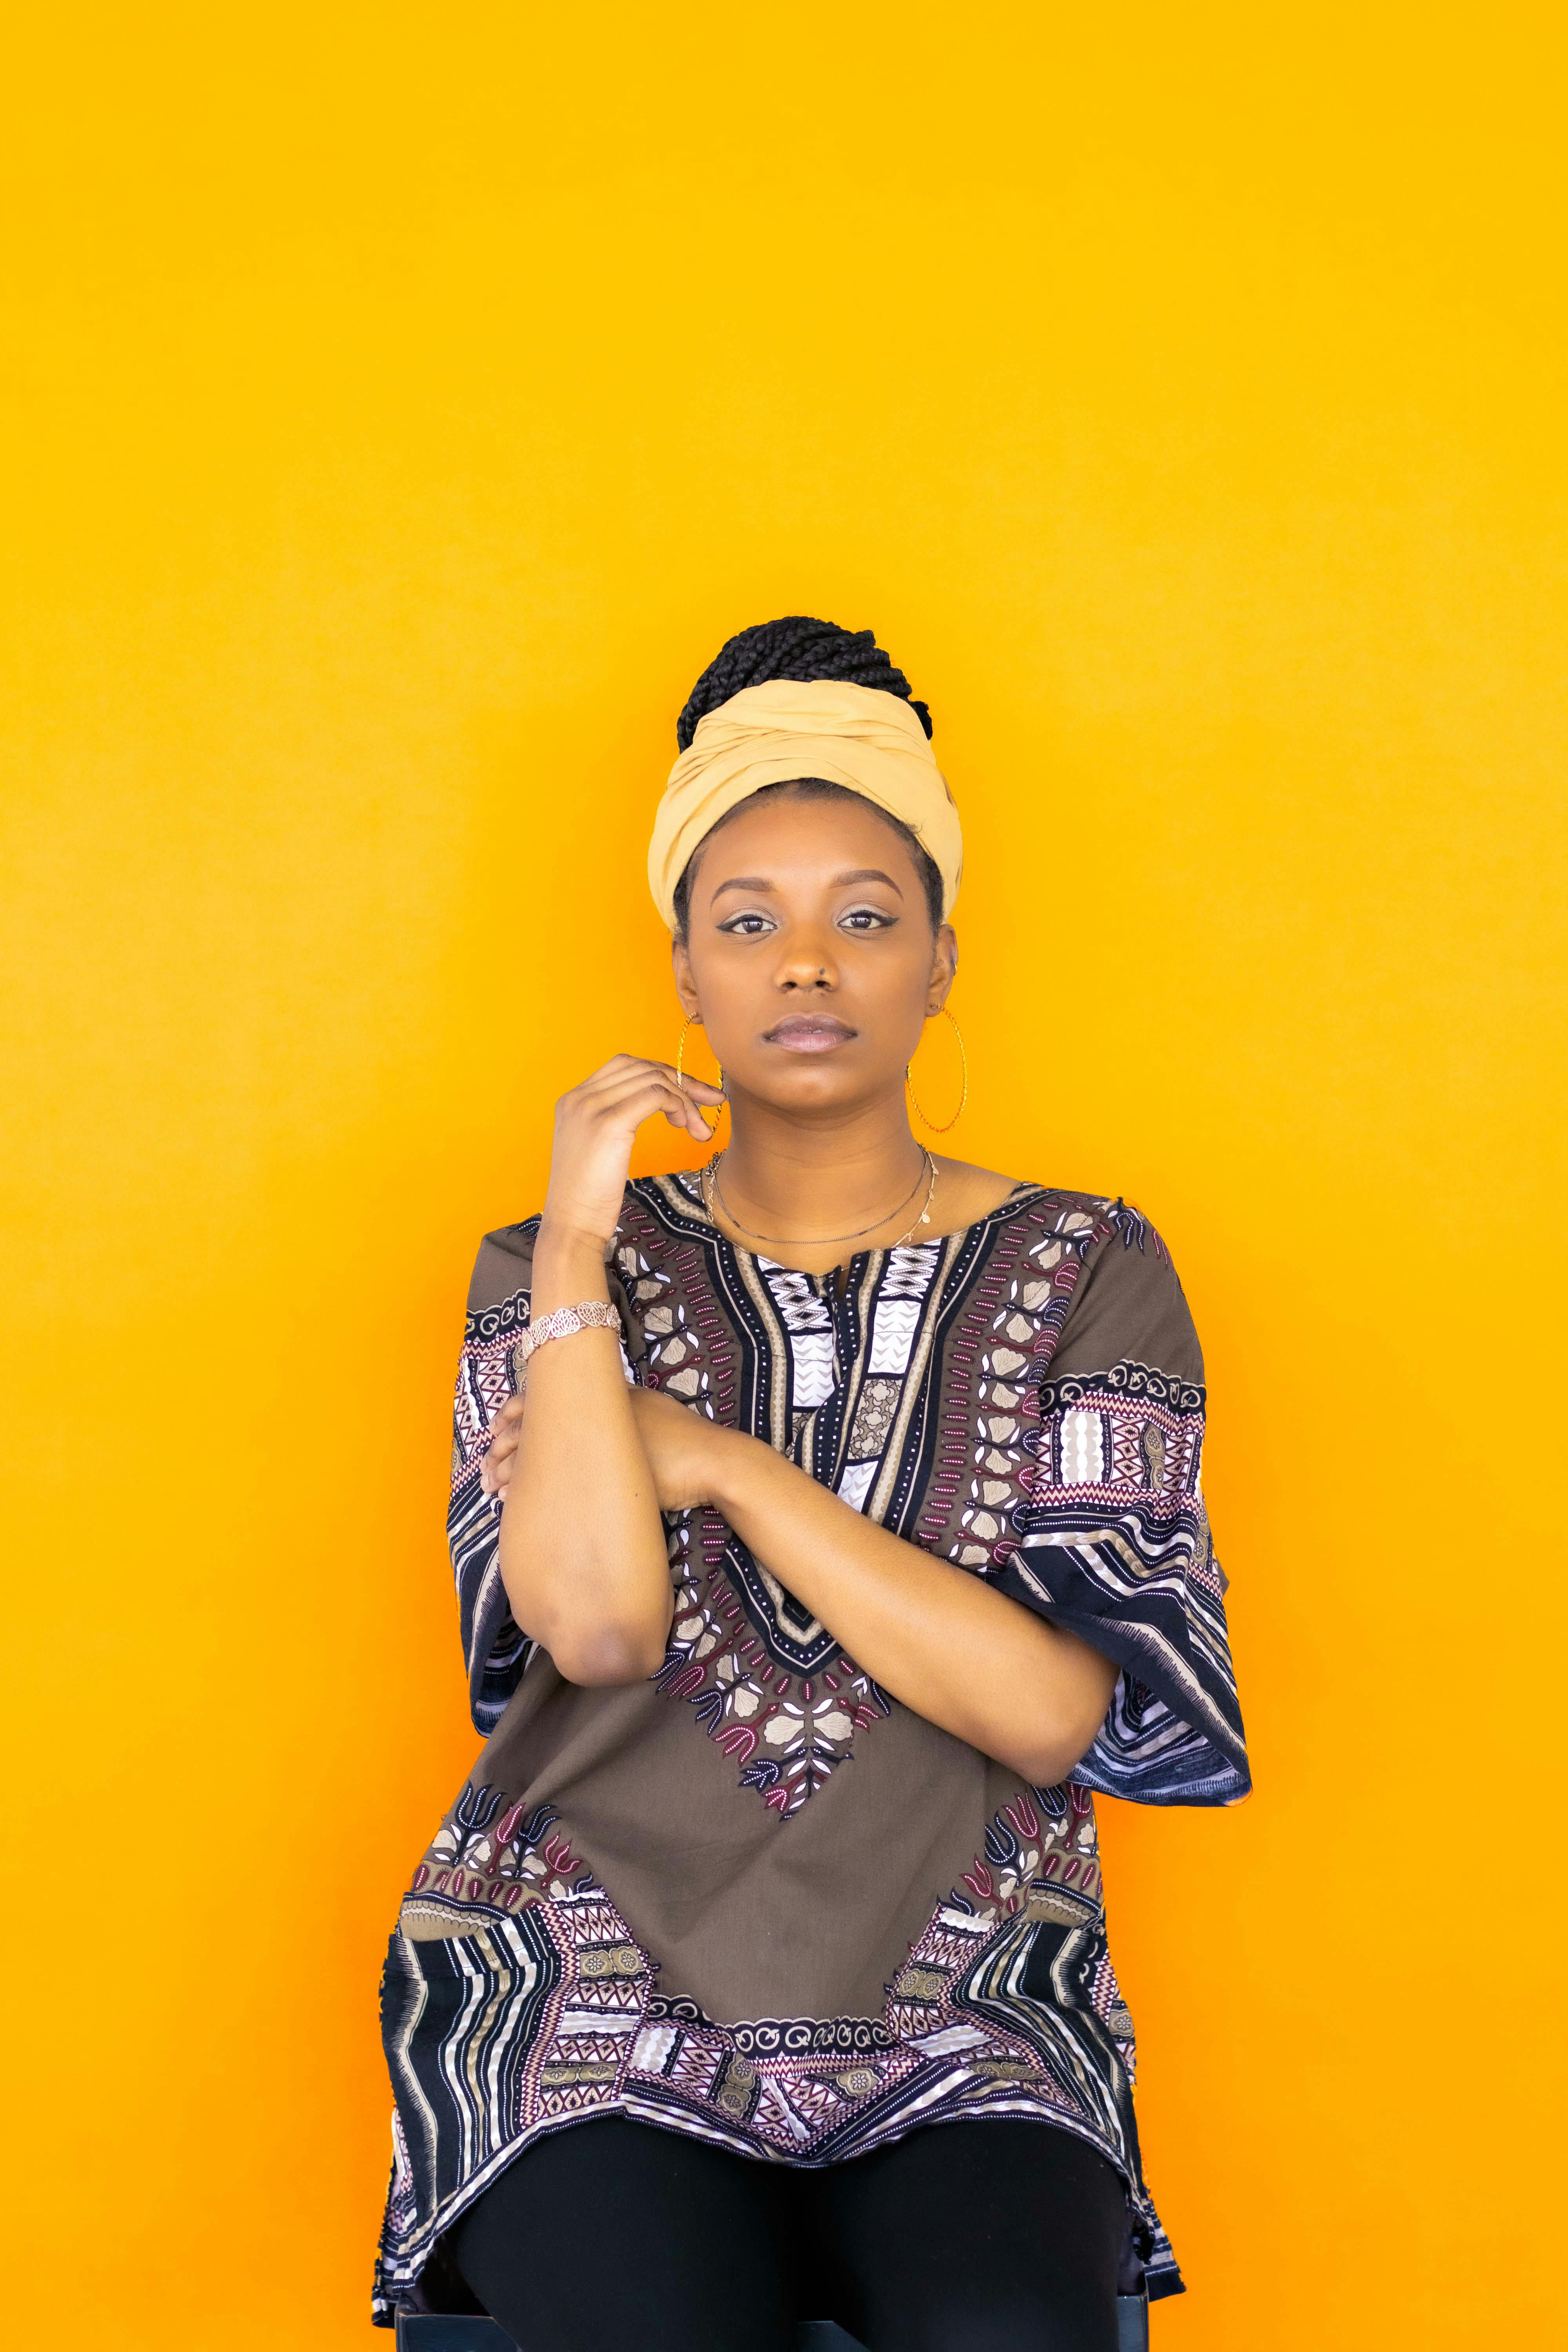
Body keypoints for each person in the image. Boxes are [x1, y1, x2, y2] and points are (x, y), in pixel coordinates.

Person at [374, 617, 1249, 2351]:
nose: (805, 966)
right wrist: (570, 1238)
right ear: (683, 973)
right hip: (580, 2002)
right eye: (745, 920)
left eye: (865, 914)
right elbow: (599, 1628)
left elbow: (1061, 1710)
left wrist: (728, 1472)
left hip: (969, 2013)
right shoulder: (546, 1274)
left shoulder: (1086, 1263)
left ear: (938, 961)